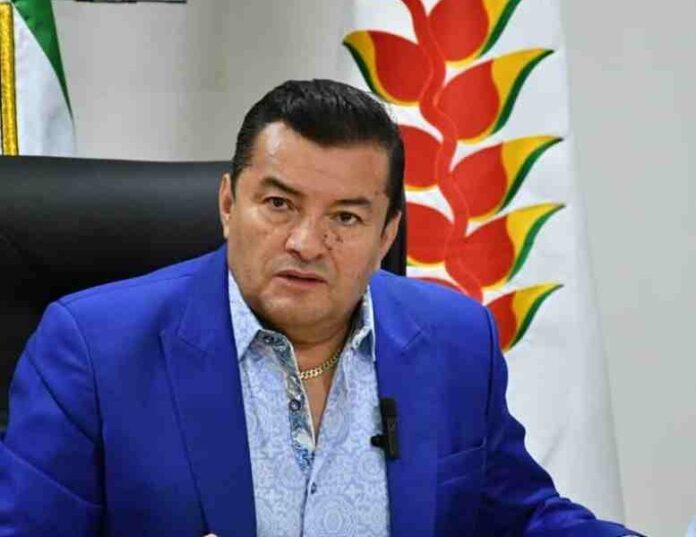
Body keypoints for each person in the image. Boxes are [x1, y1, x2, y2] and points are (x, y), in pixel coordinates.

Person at [0, 79, 641, 537]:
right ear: (228, 205)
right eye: (279, 204)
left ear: (387, 236)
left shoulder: (453, 339)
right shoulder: (94, 350)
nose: (306, 243)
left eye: (346, 217)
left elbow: (519, 518)